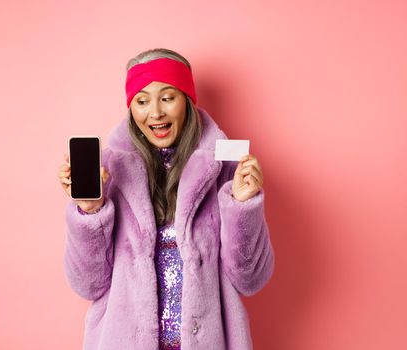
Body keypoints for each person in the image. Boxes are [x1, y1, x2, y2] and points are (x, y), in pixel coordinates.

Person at [58, 48, 275, 350]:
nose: (155, 112)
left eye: (167, 97)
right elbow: (89, 284)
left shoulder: (224, 171)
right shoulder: (108, 173)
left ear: (186, 100)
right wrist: (90, 212)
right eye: (142, 100)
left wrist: (242, 206)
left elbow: (251, 279)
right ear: (131, 108)